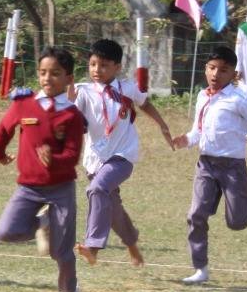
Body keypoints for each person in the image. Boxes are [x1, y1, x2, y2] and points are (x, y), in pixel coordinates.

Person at [0, 47, 88, 292]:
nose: (47, 78)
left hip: (61, 188)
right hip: (28, 187)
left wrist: (53, 159)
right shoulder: (24, 103)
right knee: (6, 231)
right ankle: (42, 223)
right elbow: (4, 130)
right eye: (43, 72)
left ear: (69, 78)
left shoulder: (72, 115)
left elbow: (72, 155)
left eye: (55, 73)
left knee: (61, 249)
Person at [171, 44, 247, 285]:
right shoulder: (202, 96)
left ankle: (241, 207)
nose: (216, 74)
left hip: (232, 167)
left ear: (234, 74)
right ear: (205, 69)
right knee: (196, 215)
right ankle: (200, 268)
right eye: (212, 68)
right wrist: (186, 140)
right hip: (206, 165)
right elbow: (198, 131)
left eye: (223, 70)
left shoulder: (240, 99)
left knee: (236, 222)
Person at [71, 38, 173, 267]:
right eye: (93, 64)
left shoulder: (127, 88)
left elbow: (145, 104)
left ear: (117, 67)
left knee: (97, 189)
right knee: (113, 209)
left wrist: (162, 125)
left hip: (122, 157)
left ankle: (93, 247)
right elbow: (71, 118)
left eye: (104, 65)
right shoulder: (82, 91)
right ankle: (133, 248)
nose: (97, 70)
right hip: (95, 160)